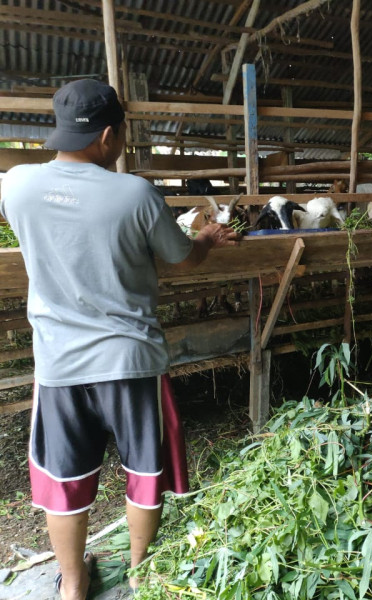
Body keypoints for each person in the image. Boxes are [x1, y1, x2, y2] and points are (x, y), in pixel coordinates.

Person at [0, 79, 240, 600]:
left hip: (60, 366)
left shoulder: (15, 184)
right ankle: (137, 570)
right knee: (143, 470)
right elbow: (181, 258)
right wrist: (205, 239)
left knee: (65, 483)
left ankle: (73, 585)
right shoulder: (135, 194)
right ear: (109, 135)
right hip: (129, 361)